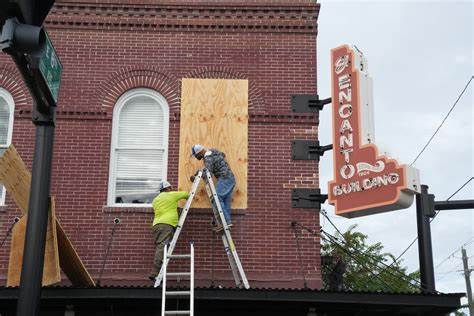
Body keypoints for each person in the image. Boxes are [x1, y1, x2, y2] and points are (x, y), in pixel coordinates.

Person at [148, 180, 189, 281]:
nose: (172, 189)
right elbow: (187, 194)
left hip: (156, 225)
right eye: (170, 188)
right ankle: (155, 272)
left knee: (160, 246)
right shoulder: (171, 195)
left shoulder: (155, 200)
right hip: (167, 224)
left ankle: (157, 270)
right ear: (167, 189)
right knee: (162, 247)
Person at [190, 144, 235, 227]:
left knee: (216, 198)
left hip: (225, 178)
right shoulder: (213, 151)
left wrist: (197, 176)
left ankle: (225, 222)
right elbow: (222, 154)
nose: (196, 157)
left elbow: (208, 173)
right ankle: (227, 222)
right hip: (229, 178)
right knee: (225, 202)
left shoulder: (208, 158)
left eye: (196, 155)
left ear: (199, 152)